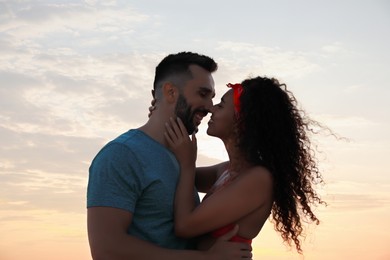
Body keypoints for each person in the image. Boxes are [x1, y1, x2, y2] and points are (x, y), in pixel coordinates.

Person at [86, 51, 252, 259]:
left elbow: (239, 173)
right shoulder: (120, 155)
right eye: (202, 94)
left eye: (212, 98)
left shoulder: (180, 157)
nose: (210, 107)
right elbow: (107, 250)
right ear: (171, 92)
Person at [164, 76, 326, 255]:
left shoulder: (258, 179)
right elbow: (170, 175)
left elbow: (185, 226)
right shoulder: (226, 170)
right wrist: (164, 117)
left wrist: (188, 163)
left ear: (241, 119)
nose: (211, 109)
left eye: (221, 105)